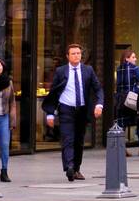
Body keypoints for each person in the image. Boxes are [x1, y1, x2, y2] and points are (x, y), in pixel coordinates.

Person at [41, 44, 104, 182]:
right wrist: (50, 113)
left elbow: (98, 89)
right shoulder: (60, 71)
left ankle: (76, 168)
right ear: (67, 56)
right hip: (66, 109)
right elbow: (53, 93)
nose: (76, 55)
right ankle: (69, 167)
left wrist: (99, 104)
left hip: (81, 110)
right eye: (73, 53)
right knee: (68, 139)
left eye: (78, 53)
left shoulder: (88, 70)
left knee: (79, 141)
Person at [114, 51, 139, 153]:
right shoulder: (135, 69)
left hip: (121, 101)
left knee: (122, 125)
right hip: (132, 100)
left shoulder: (118, 69)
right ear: (127, 58)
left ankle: (122, 149)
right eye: (133, 57)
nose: (135, 59)